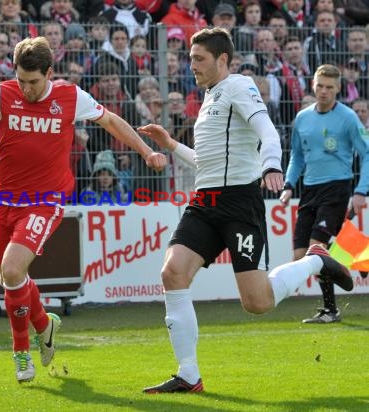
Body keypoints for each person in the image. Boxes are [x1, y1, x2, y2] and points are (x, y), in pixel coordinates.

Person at [137, 27, 354, 394]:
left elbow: (268, 132)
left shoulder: (239, 86)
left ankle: (317, 260)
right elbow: (207, 163)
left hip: (239, 203)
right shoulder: (209, 97)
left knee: (257, 303)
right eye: (190, 58)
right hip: (204, 202)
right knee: (172, 273)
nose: (192, 65)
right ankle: (188, 374)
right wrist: (171, 144)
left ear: (223, 60)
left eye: (199, 58)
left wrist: (271, 165)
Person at [0, 36, 166, 383]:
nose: (26, 88)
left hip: (45, 201)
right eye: (21, 79)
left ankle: (21, 355)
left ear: (49, 73)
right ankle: (44, 323)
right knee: (11, 277)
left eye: (33, 81)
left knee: (12, 267)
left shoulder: (70, 96)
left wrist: (145, 151)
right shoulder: (1, 94)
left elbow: (110, 121)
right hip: (5, 201)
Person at [279, 64, 369, 324]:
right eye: (320, 86)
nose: (324, 91)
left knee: (315, 249)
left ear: (338, 89)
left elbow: (366, 154)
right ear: (313, 85)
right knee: (300, 258)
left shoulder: (348, 118)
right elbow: (296, 155)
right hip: (309, 190)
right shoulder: (303, 118)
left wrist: (361, 191)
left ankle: (330, 310)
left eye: (330, 87)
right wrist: (288, 185)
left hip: (337, 188)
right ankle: (348, 259)